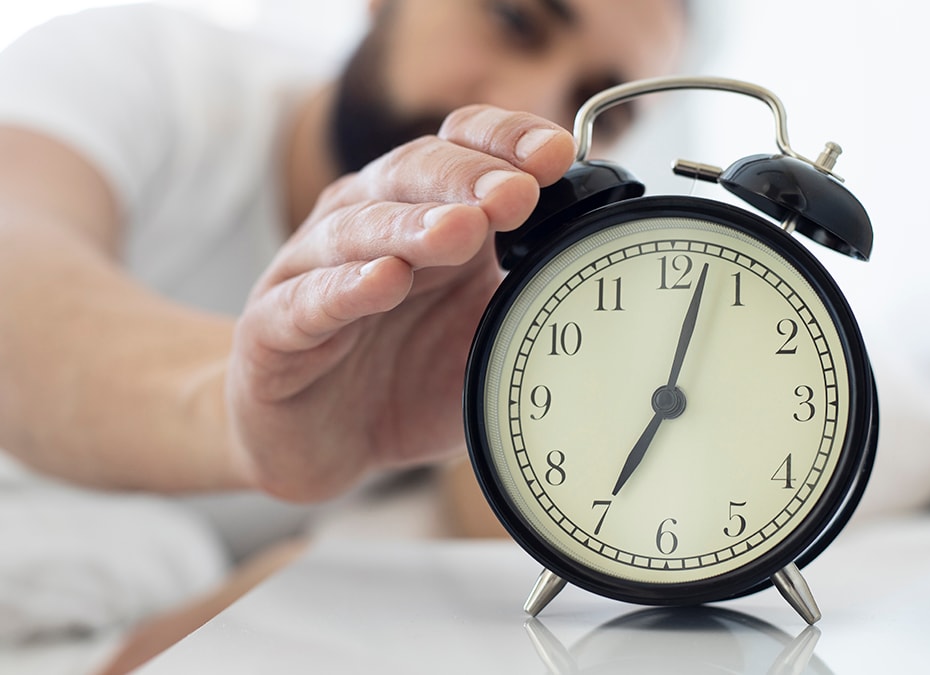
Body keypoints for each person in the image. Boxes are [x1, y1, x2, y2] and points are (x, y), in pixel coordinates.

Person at [0, 0, 687, 670]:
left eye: (608, 109)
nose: (537, 110)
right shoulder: (145, 67)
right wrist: (246, 408)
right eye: (514, 21)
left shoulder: (506, 313)